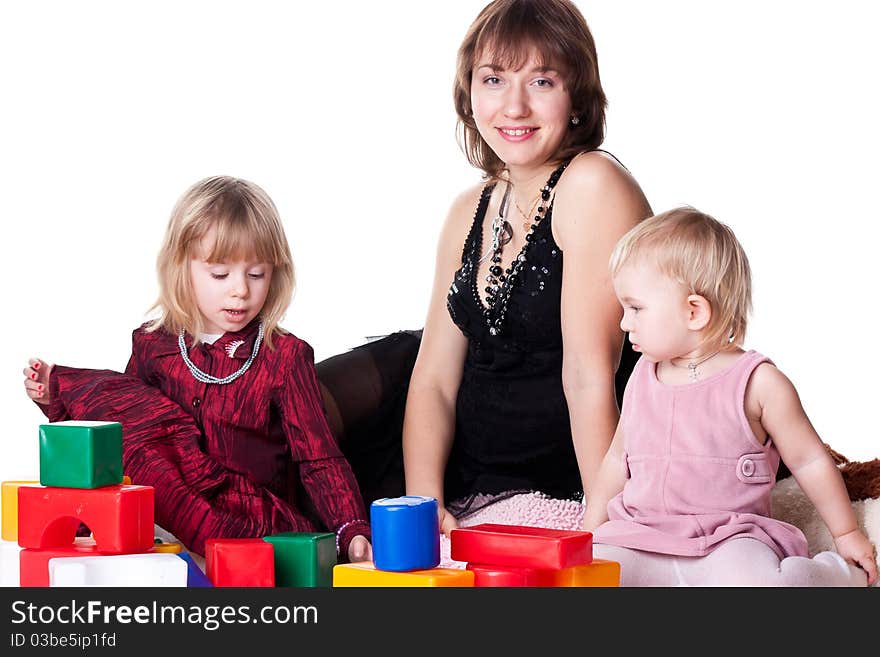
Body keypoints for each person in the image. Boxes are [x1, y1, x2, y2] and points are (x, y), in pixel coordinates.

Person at [23, 175, 372, 562]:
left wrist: (351, 528)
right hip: (171, 508)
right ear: (181, 268)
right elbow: (134, 437)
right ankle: (72, 392)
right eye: (220, 274)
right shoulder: (154, 345)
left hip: (250, 521)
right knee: (128, 414)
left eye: (256, 274)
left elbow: (318, 457)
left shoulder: (284, 357)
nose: (240, 289)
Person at [402, 0, 652, 535]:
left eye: (541, 82)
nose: (513, 107)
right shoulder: (468, 208)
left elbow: (590, 375)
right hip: (477, 463)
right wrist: (423, 505)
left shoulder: (591, 185)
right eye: (493, 79)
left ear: (578, 99)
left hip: (559, 468)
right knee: (314, 390)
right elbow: (433, 382)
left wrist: (602, 525)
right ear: (469, 92)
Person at [582, 206, 877, 586]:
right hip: (640, 536)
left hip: (727, 541)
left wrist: (846, 533)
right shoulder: (642, 376)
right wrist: (587, 533)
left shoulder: (759, 383)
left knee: (768, 585)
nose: (625, 323)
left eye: (635, 308)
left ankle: (836, 577)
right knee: (585, 579)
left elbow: (809, 462)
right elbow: (615, 460)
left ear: (694, 312)